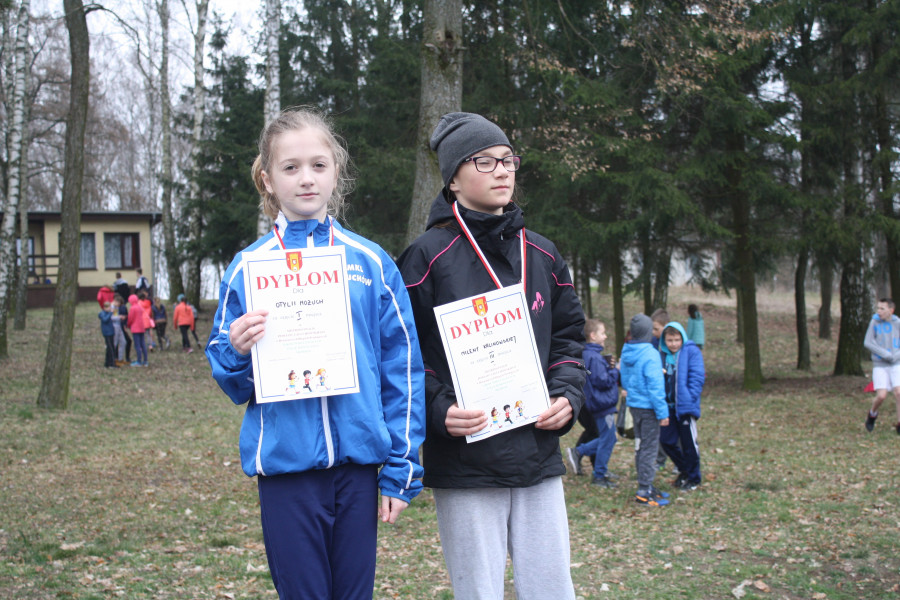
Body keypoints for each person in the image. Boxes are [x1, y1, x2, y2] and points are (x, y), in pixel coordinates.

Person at [205, 107, 425, 600]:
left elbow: (403, 369)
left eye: (318, 165)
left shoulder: (371, 262)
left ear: (336, 171)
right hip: (287, 473)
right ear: (268, 179)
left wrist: (402, 467)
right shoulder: (248, 268)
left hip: (359, 469)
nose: (306, 178)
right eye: (291, 167)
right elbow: (233, 381)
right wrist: (236, 352)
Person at [397, 112, 586, 600]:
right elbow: (403, 353)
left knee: (551, 588)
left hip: (537, 452)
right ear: (453, 179)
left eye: (507, 160)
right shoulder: (426, 257)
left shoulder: (543, 254)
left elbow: (569, 337)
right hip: (467, 460)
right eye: (483, 161)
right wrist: (438, 409)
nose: (501, 170)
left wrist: (566, 395)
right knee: (478, 591)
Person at [619, 313, 670, 507]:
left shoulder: (627, 350)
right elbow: (656, 387)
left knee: (640, 446)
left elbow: (624, 379)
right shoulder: (651, 354)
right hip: (649, 408)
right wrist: (663, 413)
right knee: (649, 448)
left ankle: (646, 485)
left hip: (634, 406)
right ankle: (643, 491)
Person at [566, 319, 620, 487]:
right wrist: (615, 371)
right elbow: (601, 381)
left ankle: (588, 460)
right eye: (602, 333)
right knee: (607, 439)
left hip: (598, 403)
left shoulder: (588, 355)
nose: (605, 336)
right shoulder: (594, 357)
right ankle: (598, 473)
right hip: (602, 404)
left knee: (608, 438)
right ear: (593, 335)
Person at [659, 322, 705, 490]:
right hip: (667, 407)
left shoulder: (691, 352)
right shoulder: (661, 355)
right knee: (666, 441)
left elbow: (697, 377)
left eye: (677, 340)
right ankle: (684, 469)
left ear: (682, 339)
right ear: (664, 340)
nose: (673, 344)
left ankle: (694, 478)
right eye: (670, 340)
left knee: (688, 444)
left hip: (685, 406)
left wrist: (689, 397)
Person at [864, 298, 900, 434]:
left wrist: (896, 355)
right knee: (881, 396)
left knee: (899, 393)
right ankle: (872, 414)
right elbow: (868, 342)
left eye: (882, 309)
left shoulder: (897, 323)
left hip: (896, 363)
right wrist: (885, 354)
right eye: (878, 308)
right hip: (880, 364)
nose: (879, 311)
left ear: (891, 310)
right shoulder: (874, 322)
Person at [650, 307, 671, 472]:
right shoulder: (653, 342)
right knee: (659, 429)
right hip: (658, 391)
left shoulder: (673, 344)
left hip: (670, 392)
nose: (653, 332)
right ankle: (660, 459)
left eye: (656, 329)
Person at [126, 294, 149, 367]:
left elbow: (130, 318)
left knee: (137, 345)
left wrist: (128, 325)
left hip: (135, 328)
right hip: (141, 327)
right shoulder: (139, 307)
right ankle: (145, 361)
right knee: (143, 344)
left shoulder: (133, 308)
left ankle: (139, 361)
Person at [98, 301, 117, 368]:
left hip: (111, 332)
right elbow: (105, 320)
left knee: (111, 348)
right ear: (104, 308)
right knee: (110, 348)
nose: (109, 309)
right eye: (108, 307)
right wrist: (110, 313)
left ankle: (107, 363)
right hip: (106, 333)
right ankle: (112, 363)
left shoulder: (108, 313)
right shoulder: (102, 314)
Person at [110, 296, 128, 366]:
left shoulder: (116, 307)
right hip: (114, 326)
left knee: (123, 342)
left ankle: (120, 359)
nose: (119, 305)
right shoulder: (111, 307)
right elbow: (111, 317)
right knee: (115, 343)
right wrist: (119, 317)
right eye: (119, 304)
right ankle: (113, 359)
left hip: (119, 325)